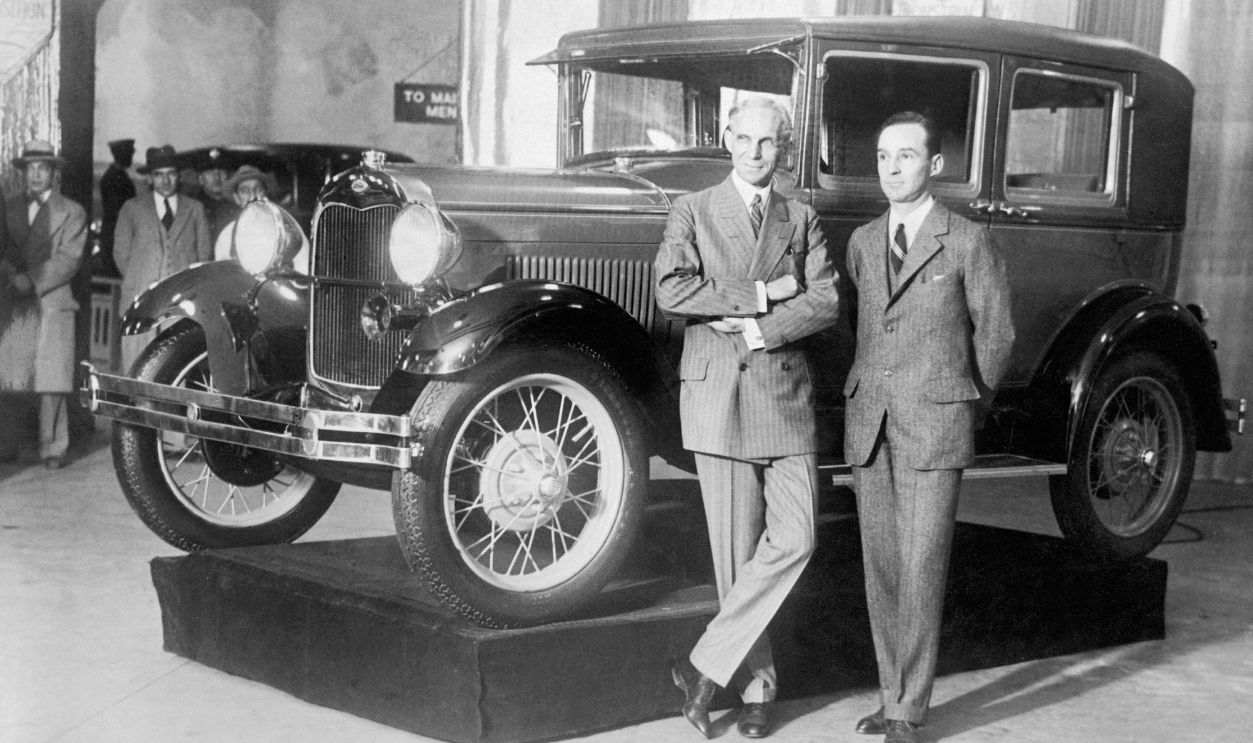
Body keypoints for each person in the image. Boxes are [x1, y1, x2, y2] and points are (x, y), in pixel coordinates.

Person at [654, 96, 839, 740]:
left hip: (783, 391)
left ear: (784, 148)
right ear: (726, 138)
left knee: (797, 538)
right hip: (718, 397)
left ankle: (702, 667)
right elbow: (672, 290)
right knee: (735, 557)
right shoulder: (693, 209)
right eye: (745, 139)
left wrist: (761, 330)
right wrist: (763, 291)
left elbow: (825, 302)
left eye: (769, 143)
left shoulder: (802, 217)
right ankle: (758, 691)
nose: (756, 153)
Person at [842, 111, 1015, 743]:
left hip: (934, 429)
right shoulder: (863, 241)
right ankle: (892, 700)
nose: (891, 167)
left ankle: (910, 711)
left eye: (907, 156)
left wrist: (964, 406)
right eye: (884, 156)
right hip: (872, 427)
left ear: (935, 165)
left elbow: (997, 335)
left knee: (921, 571)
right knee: (882, 571)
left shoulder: (966, 238)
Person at [0, 140, 88, 468]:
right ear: (23, 173)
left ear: (54, 173)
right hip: (16, 298)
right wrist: (12, 274)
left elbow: (68, 260)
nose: (36, 175)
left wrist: (31, 279)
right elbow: (2, 249)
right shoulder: (8, 207)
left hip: (53, 301)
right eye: (30, 168)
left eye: (43, 168)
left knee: (53, 381)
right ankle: (7, 444)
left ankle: (53, 448)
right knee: (12, 375)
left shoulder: (73, 212)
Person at [114, 144, 212, 371]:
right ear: (150, 178)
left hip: (181, 304)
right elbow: (121, 253)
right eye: (159, 175)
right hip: (140, 303)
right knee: (138, 369)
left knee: (177, 367)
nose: (165, 181)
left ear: (178, 177)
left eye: (171, 174)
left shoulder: (195, 209)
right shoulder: (132, 209)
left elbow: (203, 254)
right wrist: (142, 278)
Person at [213, 164, 308, 272]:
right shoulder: (226, 235)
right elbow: (222, 278)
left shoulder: (287, 227)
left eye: (258, 189)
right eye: (245, 191)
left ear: (265, 193)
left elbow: (304, 266)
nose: (253, 196)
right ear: (237, 198)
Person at [97, 137, 136, 277]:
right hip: (115, 237)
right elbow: (117, 211)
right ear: (121, 154)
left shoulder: (117, 176)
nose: (132, 156)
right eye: (130, 153)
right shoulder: (113, 178)